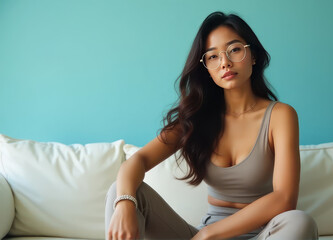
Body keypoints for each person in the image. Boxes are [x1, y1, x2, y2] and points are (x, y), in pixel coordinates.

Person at [105, 11, 319, 240]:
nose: (225, 62)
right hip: (201, 235)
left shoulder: (280, 115)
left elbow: (285, 198)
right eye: (213, 56)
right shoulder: (197, 118)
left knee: (300, 221)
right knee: (121, 192)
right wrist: (125, 203)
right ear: (206, 68)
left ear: (253, 55)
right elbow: (138, 160)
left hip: (262, 235)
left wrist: (209, 234)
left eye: (235, 49)